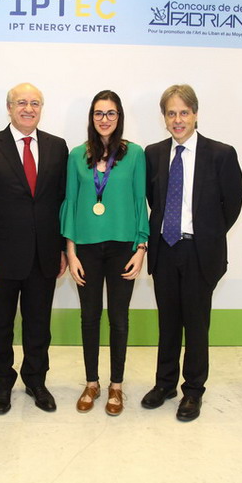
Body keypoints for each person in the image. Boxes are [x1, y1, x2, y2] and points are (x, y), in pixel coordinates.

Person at [142, 84, 242, 422]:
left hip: (200, 252)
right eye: (171, 113)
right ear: (164, 118)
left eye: (184, 112)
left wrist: (209, 232)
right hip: (165, 249)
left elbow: (233, 201)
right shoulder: (153, 154)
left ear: (195, 114)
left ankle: (193, 390)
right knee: (168, 322)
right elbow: (154, 201)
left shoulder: (220, 154)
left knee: (197, 325)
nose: (178, 120)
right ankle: (165, 384)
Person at [0, 82, 68, 414]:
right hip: (0, 259)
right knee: (0, 326)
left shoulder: (57, 147)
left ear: (41, 109)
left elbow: (62, 203)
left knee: (39, 326)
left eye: (35, 103)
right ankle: (2, 383)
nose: (28, 108)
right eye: (21, 102)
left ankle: (36, 381)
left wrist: (63, 249)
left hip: (44, 256)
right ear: (9, 108)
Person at [60, 90, 149, 416]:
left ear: (119, 117)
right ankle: (92, 383)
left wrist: (141, 248)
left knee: (119, 318)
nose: (104, 119)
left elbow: (140, 202)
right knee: (89, 316)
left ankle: (116, 386)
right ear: (91, 117)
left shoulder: (134, 154)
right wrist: (71, 252)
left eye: (111, 113)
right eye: (99, 113)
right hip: (85, 248)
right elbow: (70, 203)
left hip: (123, 247)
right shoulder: (76, 155)